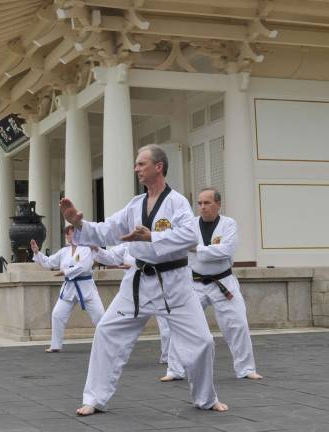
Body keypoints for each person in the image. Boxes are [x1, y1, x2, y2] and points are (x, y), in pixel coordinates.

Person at [60, 144, 228, 415]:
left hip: (175, 284)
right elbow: (107, 231)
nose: (136, 168)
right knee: (106, 332)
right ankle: (94, 398)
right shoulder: (134, 204)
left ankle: (206, 398)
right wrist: (79, 224)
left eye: (141, 164)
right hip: (138, 282)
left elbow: (190, 236)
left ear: (158, 167)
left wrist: (152, 236)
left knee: (203, 342)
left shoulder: (177, 203)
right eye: (136, 164)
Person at [161, 188, 262, 382]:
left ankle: (246, 368)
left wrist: (196, 249)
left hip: (223, 282)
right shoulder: (190, 226)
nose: (202, 207)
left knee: (238, 324)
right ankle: (175, 369)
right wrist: (202, 250)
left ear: (218, 204)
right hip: (194, 282)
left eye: (207, 203)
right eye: (199, 203)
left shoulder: (228, 224)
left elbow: (226, 250)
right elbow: (180, 246)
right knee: (181, 324)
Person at [92, 243, 171, 365]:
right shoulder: (128, 245)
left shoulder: (159, 242)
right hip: (133, 293)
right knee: (109, 327)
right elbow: (110, 257)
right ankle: (113, 357)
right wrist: (95, 248)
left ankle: (170, 360)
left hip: (160, 290)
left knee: (167, 328)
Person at [31, 225, 105, 353]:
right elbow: (49, 262)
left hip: (86, 288)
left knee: (100, 316)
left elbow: (84, 266)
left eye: (69, 233)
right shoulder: (64, 251)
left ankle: (107, 344)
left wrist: (66, 271)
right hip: (69, 288)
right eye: (66, 234)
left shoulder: (86, 248)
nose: (67, 236)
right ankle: (55, 345)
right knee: (57, 315)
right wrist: (37, 253)